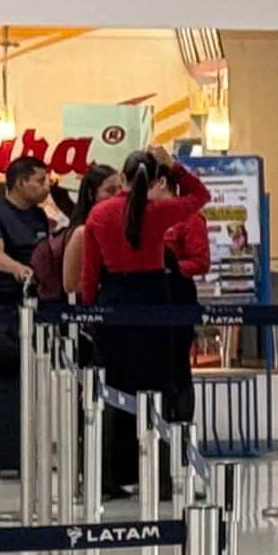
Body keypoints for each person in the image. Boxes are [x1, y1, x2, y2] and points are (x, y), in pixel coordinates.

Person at [77, 149, 209, 498]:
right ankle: (163, 480)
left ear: (121, 178)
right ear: (154, 181)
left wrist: (91, 311)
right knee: (160, 392)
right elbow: (201, 196)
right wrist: (174, 167)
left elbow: (89, 275)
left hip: (115, 301)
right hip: (154, 300)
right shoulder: (159, 211)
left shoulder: (100, 214)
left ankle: (103, 479)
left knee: (109, 394)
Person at [0, 152, 58, 475]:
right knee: (1, 380)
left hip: (32, 309)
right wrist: (20, 271)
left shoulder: (38, 216)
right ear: (20, 182)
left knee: (29, 382)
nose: (45, 186)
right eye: (39, 180)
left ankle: (24, 452)